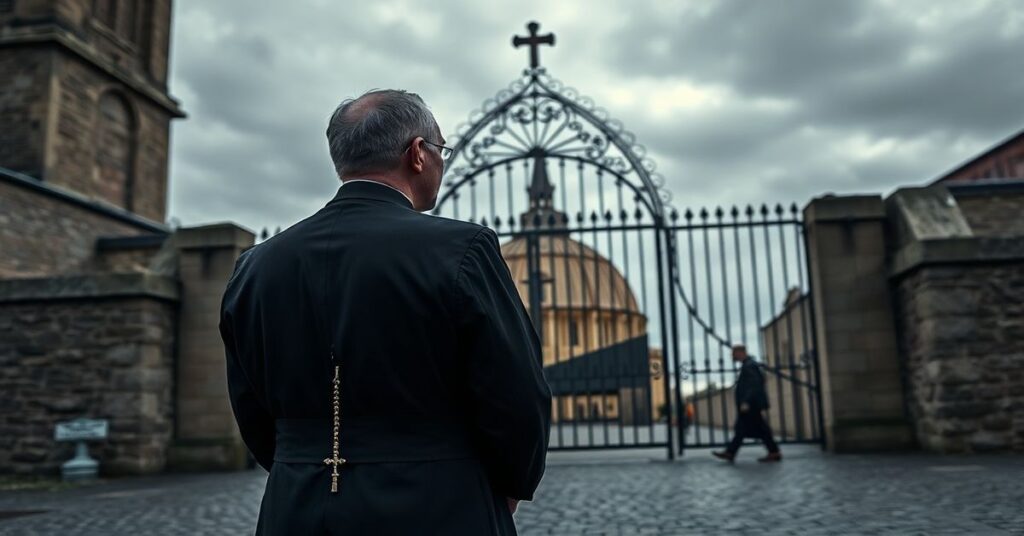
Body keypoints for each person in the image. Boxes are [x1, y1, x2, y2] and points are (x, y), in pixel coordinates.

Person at [219, 89, 553, 535]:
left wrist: (301, 461)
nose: (441, 161)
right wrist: (510, 484)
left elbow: (249, 405)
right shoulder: (462, 250)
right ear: (417, 153)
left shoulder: (256, 265)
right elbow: (516, 392)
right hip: (441, 503)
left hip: (297, 504)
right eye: (441, 150)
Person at [712, 344, 781, 463]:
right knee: (750, 428)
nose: (732, 356)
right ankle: (772, 452)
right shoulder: (749, 364)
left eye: (733, 354)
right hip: (751, 404)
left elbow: (753, 386)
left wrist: (746, 402)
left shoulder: (749, 365)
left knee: (749, 428)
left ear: (740, 352)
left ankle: (731, 452)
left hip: (750, 404)